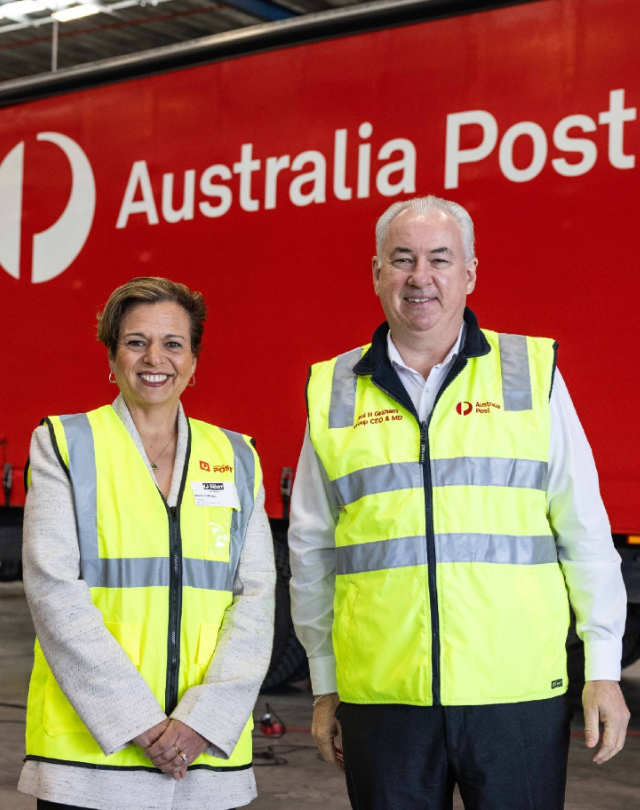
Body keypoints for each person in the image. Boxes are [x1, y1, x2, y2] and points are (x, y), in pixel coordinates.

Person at [288, 196, 630, 810]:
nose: (421, 277)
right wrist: (324, 682)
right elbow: (311, 551)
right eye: (402, 260)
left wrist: (603, 668)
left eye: (440, 259)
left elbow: (583, 529)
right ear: (376, 273)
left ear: (470, 273)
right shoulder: (333, 390)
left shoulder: (530, 373)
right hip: (383, 698)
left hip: (516, 697)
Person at [19, 277, 275, 810]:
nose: (154, 357)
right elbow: (54, 594)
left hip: (204, 761)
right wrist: (139, 723)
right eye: (136, 342)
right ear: (111, 358)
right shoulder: (64, 445)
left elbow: (256, 599)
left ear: (194, 362)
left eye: (172, 343)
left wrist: (202, 722)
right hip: (89, 762)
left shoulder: (237, 457)